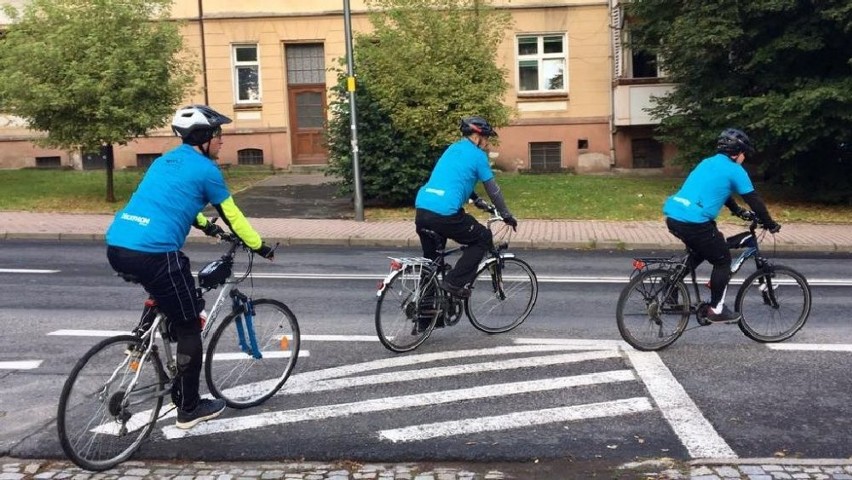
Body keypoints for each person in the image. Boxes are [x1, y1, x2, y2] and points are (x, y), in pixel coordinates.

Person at [105, 105, 274, 429]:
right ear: (205, 138)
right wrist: (260, 246)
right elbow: (232, 215)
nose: (222, 141)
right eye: (218, 135)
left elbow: (172, 200)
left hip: (118, 245)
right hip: (154, 252)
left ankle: (142, 336)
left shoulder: (164, 161)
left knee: (173, 285)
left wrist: (204, 226)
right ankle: (189, 407)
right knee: (189, 325)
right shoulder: (207, 171)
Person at [663, 128, 781, 323]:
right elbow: (754, 200)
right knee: (722, 260)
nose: (744, 157)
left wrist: (737, 211)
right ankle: (716, 309)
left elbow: (719, 190)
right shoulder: (735, 170)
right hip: (694, 222)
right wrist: (769, 223)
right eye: (744, 153)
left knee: (704, 249)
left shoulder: (707, 163)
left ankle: (670, 282)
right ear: (736, 153)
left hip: (674, 216)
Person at [414, 116, 518, 298]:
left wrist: (476, 200)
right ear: (477, 137)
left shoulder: (452, 149)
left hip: (422, 210)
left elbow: (454, 179)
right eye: (486, 138)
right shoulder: (479, 156)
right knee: (483, 238)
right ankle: (454, 283)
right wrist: (506, 215)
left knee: (432, 263)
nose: (487, 143)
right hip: (445, 214)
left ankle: (425, 317)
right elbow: (494, 191)